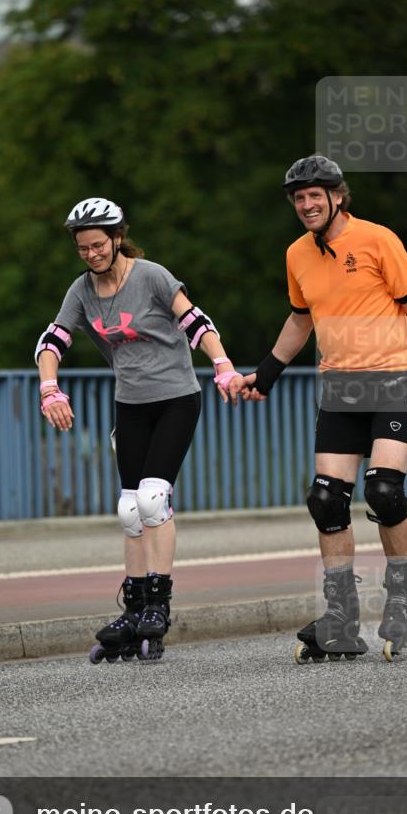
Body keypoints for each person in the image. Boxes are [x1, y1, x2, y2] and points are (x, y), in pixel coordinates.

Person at [241, 155, 407, 662]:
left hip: (393, 379)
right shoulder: (297, 254)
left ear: (337, 196)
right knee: (326, 499)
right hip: (339, 389)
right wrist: (267, 371)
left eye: (315, 196)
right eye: (298, 198)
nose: (306, 205)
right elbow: (301, 318)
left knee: (384, 490)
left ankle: (403, 597)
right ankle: (341, 618)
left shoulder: (377, 239)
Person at [35, 197, 243, 662]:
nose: (91, 254)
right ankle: (133, 611)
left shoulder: (151, 276)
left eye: (98, 245)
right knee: (130, 509)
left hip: (176, 399)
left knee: (152, 499)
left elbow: (196, 321)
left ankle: (158, 605)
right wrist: (50, 389)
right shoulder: (82, 290)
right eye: (82, 248)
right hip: (130, 404)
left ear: (117, 238)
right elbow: (52, 341)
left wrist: (223, 365)